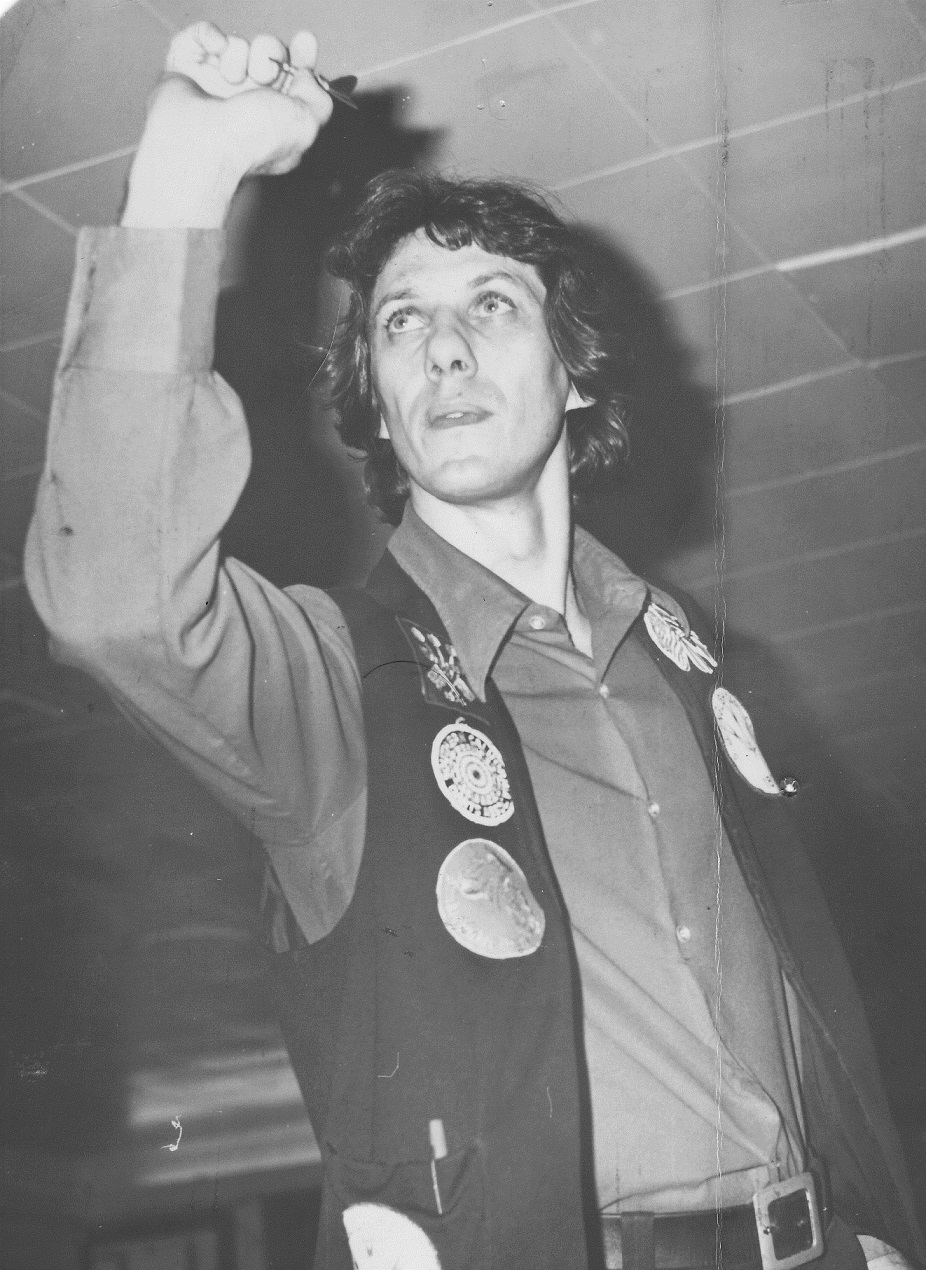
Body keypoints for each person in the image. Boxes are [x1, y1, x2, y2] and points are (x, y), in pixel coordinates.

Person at [24, 22, 925, 1270]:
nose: (441, 346)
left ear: (574, 376)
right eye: (400, 323)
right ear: (380, 407)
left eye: (489, 305)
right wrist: (186, 167)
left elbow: (804, 1005)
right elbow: (114, 597)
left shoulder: (692, 669)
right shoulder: (340, 686)